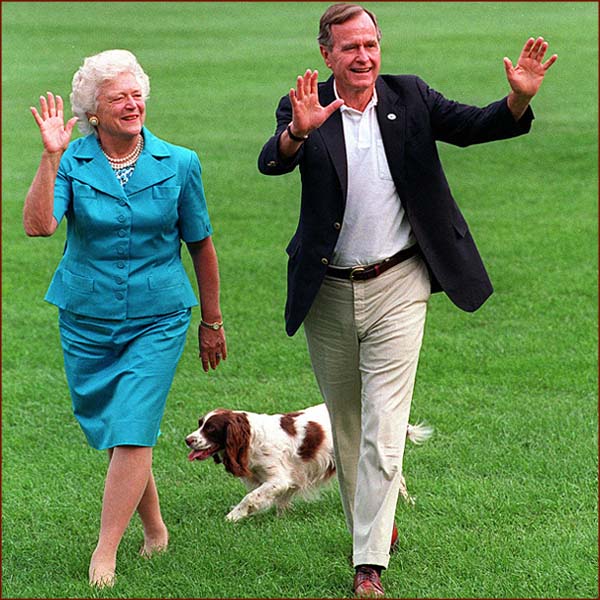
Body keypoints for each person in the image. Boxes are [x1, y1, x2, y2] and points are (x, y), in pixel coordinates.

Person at [258, 3, 556, 597]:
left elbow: (476, 125)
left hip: (400, 281)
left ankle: (368, 563)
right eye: (350, 48)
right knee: (345, 423)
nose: (364, 56)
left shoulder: (410, 96)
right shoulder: (306, 104)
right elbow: (273, 160)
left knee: (384, 425)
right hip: (328, 289)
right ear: (327, 55)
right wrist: (298, 130)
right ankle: (375, 522)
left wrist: (518, 99)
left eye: (370, 44)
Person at [23, 49, 227, 588]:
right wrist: (49, 158)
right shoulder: (72, 161)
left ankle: (105, 552)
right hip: (86, 317)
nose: (132, 104)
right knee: (118, 430)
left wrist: (212, 321)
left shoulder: (179, 162)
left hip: (159, 316)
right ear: (93, 110)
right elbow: (40, 226)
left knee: (134, 428)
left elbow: (201, 245)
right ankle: (156, 528)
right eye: (118, 98)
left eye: (137, 94)